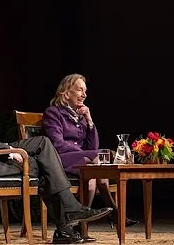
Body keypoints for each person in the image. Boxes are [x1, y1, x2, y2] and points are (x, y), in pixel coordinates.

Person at [0, 41, 111, 244]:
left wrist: (9, 149)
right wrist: (9, 150)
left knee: (42, 145)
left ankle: (68, 220)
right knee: (45, 166)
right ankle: (68, 219)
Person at [42, 73, 139, 236]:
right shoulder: (53, 113)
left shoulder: (79, 117)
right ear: (66, 93)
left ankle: (82, 225)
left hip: (82, 162)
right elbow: (57, 144)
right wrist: (86, 154)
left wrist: (89, 119)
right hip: (59, 159)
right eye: (80, 90)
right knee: (96, 161)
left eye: (85, 91)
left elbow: (93, 146)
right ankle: (116, 215)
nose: (84, 94)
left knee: (94, 176)